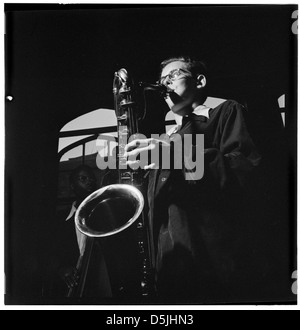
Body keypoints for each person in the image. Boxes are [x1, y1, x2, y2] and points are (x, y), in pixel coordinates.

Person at [124, 56, 261, 303]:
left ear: (200, 81)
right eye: (161, 80)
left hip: (213, 265)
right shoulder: (162, 141)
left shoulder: (226, 111)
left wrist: (176, 154)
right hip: (169, 265)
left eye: (173, 76)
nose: (164, 84)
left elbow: (243, 168)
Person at [52, 164, 112, 298]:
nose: (89, 182)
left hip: (102, 287)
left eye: (91, 179)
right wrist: (60, 269)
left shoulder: (105, 214)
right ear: (72, 186)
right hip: (70, 290)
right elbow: (48, 252)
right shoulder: (59, 221)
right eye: (83, 179)